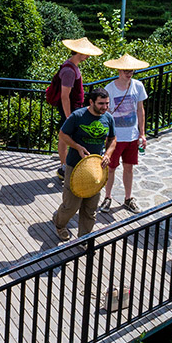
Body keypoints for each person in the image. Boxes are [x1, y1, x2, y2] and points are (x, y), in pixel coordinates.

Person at [53, 88, 116, 242]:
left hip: (96, 169)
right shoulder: (78, 116)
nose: (105, 107)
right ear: (91, 102)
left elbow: (113, 139)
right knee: (71, 206)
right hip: (75, 167)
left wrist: (107, 154)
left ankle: (84, 238)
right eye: (101, 104)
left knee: (90, 208)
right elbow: (62, 135)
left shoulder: (108, 118)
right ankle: (59, 224)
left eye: (107, 103)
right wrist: (77, 147)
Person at [98, 55, 149, 215]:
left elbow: (140, 109)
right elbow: (104, 113)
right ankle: (107, 197)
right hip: (115, 137)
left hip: (132, 136)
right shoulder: (110, 89)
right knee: (111, 168)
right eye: (126, 70)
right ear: (119, 70)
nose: (129, 73)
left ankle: (128, 198)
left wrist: (142, 133)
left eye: (131, 70)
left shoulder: (138, 86)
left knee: (129, 168)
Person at [51, 37, 104, 177]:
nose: (88, 56)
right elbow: (65, 95)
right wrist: (69, 116)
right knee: (64, 137)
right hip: (69, 109)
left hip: (72, 108)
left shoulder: (72, 66)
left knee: (65, 136)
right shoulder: (69, 71)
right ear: (79, 52)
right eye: (86, 53)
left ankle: (64, 166)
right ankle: (64, 167)